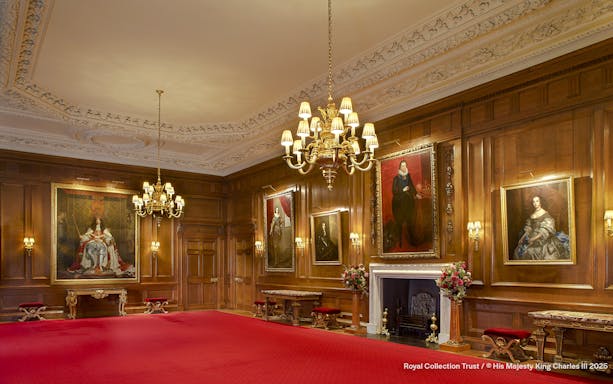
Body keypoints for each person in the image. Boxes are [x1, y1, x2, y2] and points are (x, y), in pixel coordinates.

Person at [513, 196, 570, 260]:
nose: (535, 203)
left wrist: (533, 239)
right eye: (533, 201)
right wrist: (522, 238)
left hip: (541, 238)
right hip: (531, 236)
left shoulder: (545, 214)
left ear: (540, 202)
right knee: (519, 249)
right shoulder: (532, 215)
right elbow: (528, 229)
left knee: (532, 251)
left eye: (537, 201)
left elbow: (544, 231)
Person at [391, 160, 422, 248]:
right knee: (399, 223)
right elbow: (394, 191)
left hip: (408, 203)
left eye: (405, 166)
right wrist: (403, 190)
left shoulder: (408, 176)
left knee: (410, 222)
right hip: (398, 204)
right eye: (402, 166)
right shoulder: (396, 178)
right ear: (400, 167)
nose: (404, 167)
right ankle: (399, 242)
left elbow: (411, 186)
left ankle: (412, 241)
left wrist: (416, 194)